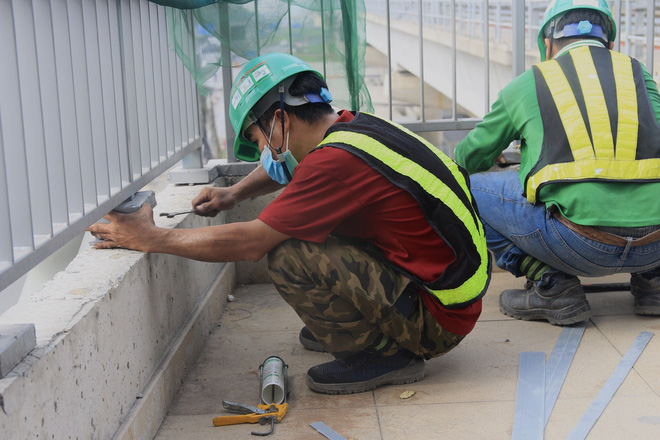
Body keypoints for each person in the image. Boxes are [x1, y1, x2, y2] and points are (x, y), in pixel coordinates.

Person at [88, 52, 491, 394]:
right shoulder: (353, 127)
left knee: (286, 251)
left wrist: (150, 237)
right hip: (451, 294)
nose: (263, 149)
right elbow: (292, 169)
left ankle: (387, 354)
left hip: (439, 320)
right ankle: (359, 321)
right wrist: (234, 194)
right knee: (313, 222)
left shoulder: (332, 164)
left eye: (260, 137)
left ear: (280, 120)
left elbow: (251, 243)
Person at [454, 0, 660, 326]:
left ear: (548, 44)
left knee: (469, 187)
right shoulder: (639, 74)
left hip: (582, 246)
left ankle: (552, 287)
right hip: (655, 244)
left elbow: (466, 159)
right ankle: (653, 282)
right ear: (609, 42)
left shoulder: (528, 82)